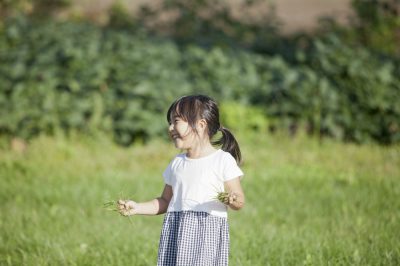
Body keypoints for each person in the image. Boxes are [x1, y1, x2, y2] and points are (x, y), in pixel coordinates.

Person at [118, 95, 245, 266]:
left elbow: (238, 199)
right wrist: (137, 207)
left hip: (205, 232)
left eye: (176, 121)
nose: (170, 128)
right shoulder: (177, 163)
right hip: (176, 232)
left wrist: (233, 199)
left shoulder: (222, 160)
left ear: (200, 125)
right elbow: (165, 201)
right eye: (170, 122)